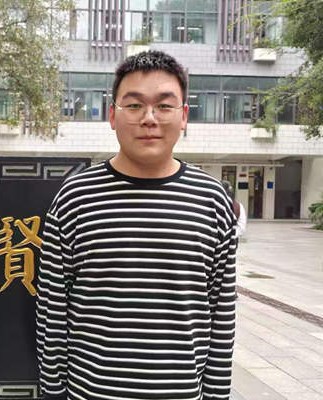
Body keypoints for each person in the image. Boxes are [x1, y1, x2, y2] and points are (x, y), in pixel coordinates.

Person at [36, 51, 237, 400]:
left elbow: (222, 316)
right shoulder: (75, 198)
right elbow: (52, 309)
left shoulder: (212, 201)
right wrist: (53, 392)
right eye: (134, 105)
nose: (149, 118)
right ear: (112, 115)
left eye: (164, 106)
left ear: (184, 116)